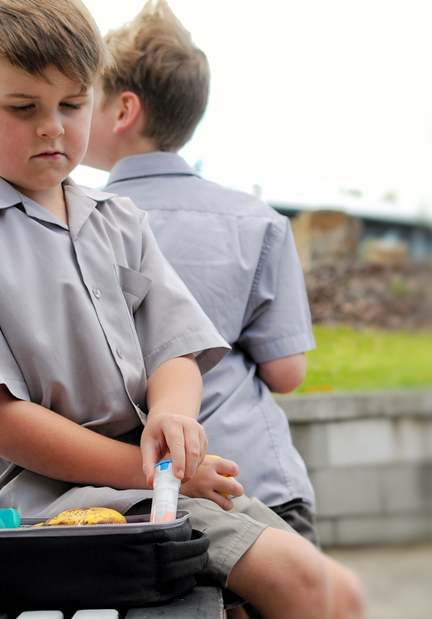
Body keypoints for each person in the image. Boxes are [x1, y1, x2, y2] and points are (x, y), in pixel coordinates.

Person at [0, 1, 363, 617]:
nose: (53, 128)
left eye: (72, 105)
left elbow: (175, 349)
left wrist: (173, 419)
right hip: (53, 500)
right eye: (23, 108)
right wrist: (148, 474)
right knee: (255, 588)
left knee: (333, 591)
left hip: (162, 482)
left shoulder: (119, 219)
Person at [82, 0, 321, 547]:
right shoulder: (258, 221)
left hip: (132, 494)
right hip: (255, 479)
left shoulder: (76, 225)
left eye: (82, 100)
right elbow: (287, 373)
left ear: (123, 111)